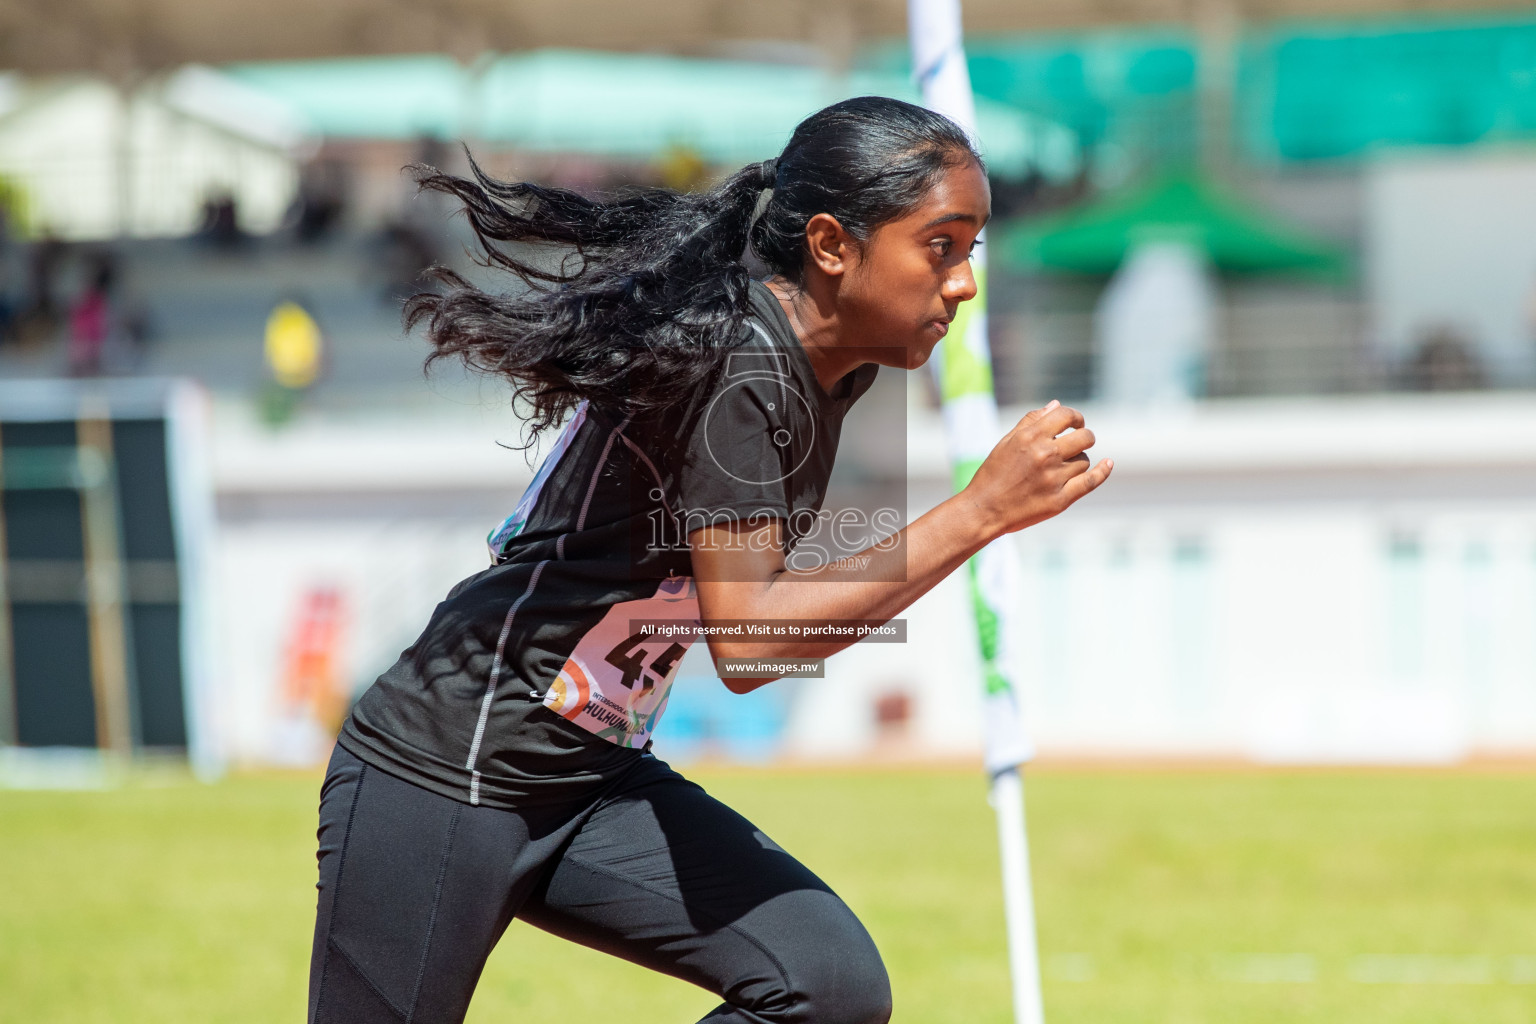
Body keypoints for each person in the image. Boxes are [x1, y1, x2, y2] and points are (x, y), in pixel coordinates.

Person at [308, 96, 1111, 1024]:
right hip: (445, 772)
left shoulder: (830, 362)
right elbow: (751, 642)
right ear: (831, 245)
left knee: (826, 988)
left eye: (971, 250)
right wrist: (976, 513)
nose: (964, 282)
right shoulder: (744, 364)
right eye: (942, 246)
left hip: (588, 775)